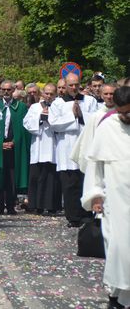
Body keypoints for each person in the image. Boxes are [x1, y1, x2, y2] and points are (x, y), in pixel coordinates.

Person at [81, 86, 130, 309]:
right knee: (117, 246)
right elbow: (95, 166)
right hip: (115, 200)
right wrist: (95, 196)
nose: (126, 117)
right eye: (123, 113)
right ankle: (116, 293)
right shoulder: (107, 127)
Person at [49, 72, 98, 227]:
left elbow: (96, 120)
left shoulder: (89, 101)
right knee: (70, 185)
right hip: (67, 148)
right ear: (66, 84)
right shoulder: (58, 103)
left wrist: (82, 114)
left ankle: (87, 214)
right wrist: (72, 117)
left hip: (86, 146)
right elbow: (54, 123)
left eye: (76, 84)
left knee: (86, 181)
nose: (74, 87)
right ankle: (73, 217)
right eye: (70, 85)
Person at [0, 80, 30, 216]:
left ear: (13, 90)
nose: (6, 92)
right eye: (3, 89)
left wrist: (14, 142)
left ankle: (11, 204)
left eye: (9, 90)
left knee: (11, 177)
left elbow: (23, 128)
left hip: (14, 146)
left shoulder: (20, 107)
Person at [23, 83, 61, 214]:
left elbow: (63, 123)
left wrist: (51, 119)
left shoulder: (59, 106)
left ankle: (52, 205)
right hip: (38, 144)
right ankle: (36, 205)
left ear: (55, 94)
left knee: (51, 177)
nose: (49, 96)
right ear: (42, 93)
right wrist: (40, 118)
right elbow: (26, 123)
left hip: (53, 145)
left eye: (52, 94)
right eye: (47, 93)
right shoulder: (34, 107)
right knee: (37, 176)